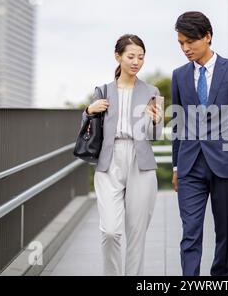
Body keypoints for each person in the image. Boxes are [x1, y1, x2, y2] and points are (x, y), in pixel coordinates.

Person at [171, 12, 228, 276]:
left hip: (226, 164)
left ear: (207, 36)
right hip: (190, 166)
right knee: (190, 233)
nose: (185, 48)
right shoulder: (179, 75)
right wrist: (176, 166)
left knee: (224, 233)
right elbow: (178, 124)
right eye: (180, 43)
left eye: (190, 42)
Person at [81, 34, 163, 276]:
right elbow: (87, 127)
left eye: (141, 57)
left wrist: (157, 120)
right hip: (110, 160)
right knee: (110, 231)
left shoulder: (151, 90)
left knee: (136, 235)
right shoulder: (103, 91)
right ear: (118, 57)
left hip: (141, 162)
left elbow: (155, 134)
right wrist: (88, 110)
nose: (136, 61)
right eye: (131, 56)